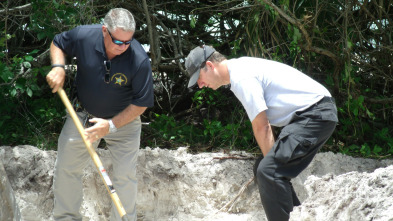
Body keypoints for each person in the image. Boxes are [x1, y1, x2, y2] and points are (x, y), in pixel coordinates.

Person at [185, 45, 338, 221]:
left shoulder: (241, 76)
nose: (201, 85)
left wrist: (272, 167)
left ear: (210, 66)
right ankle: (298, 216)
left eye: (199, 78)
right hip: (312, 114)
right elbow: (264, 125)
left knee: (269, 171)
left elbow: (262, 126)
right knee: (265, 169)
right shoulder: (240, 71)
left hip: (315, 113)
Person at [46, 8, 154, 221]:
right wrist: (59, 67)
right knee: (67, 169)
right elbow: (58, 42)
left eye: (128, 42)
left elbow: (141, 104)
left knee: (125, 176)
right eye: (118, 42)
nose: (123, 47)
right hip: (83, 116)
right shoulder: (84, 36)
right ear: (105, 30)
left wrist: (111, 125)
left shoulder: (139, 59)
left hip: (124, 122)